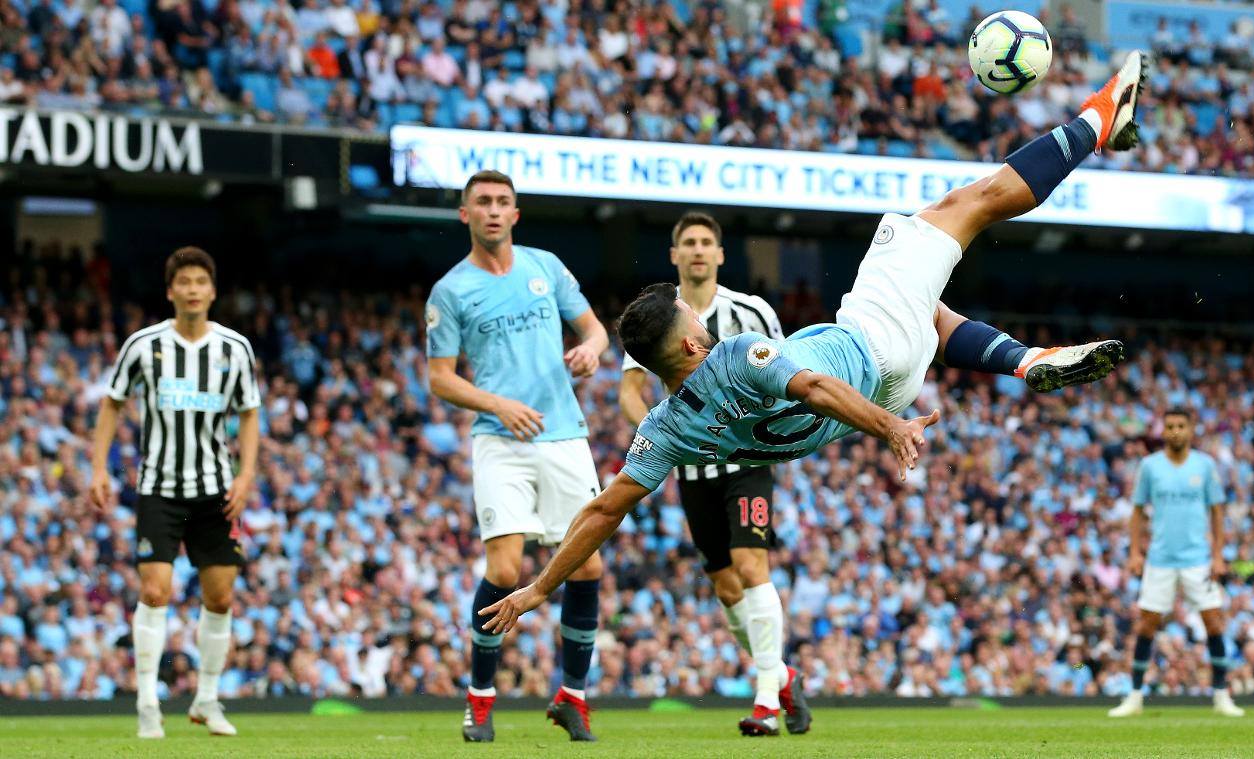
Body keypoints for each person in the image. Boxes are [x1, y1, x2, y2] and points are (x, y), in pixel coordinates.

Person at [479, 51, 1150, 638]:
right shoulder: (739, 354)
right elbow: (817, 388)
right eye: (690, 314)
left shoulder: (665, 429)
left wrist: (540, 587)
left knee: (932, 309)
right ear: (688, 343)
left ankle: (1024, 359)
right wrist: (890, 427)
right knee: (963, 205)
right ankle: (1101, 114)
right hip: (870, 358)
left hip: (890, 372)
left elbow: (603, 508)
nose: (698, 314)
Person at [424, 169, 610, 742]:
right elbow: (439, 379)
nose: (494, 211)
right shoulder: (451, 290)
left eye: (503, 202)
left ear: (516, 214)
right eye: (482, 202)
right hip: (500, 439)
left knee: (588, 564)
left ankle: (572, 698)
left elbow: (595, 330)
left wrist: (591, 351)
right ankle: (480, 700)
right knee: (505, 571)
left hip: (562, 433)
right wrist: (497, 404)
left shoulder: (545, 267)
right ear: (466, 215)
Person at [618, 211, 809, 736]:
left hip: (747, 459)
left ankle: (767, 701)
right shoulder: (658, 319)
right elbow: (629, 394)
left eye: (707, 242)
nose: (699, 250)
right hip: (693, 468)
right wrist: (666, 442)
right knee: (727, 590)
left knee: (752, 566)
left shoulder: (751, 311)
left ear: (721, 254)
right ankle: (781, 674)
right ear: (675, 255)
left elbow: (786, 373)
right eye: (689, 243)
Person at [88, 246, 261, 739]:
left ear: (211, 290)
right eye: (182, 281)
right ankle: (147, 702)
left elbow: (249, 414)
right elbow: (112, 403)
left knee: (221, 597)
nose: (191, 289)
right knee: (155, 590)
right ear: (171, 291)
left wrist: (246, 475)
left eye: (199, 282)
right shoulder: (143, 346)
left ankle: (206, 698)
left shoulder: (235, 349)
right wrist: (98, 466)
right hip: (159, 488)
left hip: (215, 491)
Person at [1108, 408, 1245, 718]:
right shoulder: (1150, 466)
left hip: (1197, 558)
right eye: (1170, 426)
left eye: (1181, 426)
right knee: (1146, 625)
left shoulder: (1205, 465)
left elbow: (1217, 511)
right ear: (1164, 430)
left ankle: (1221, 696)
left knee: (1213, 622)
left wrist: (1219, 555)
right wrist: (1134, 553)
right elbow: (1138, 510)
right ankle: (1135, 697)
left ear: (1191, 429)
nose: (1175, 431)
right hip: (1160, 559)